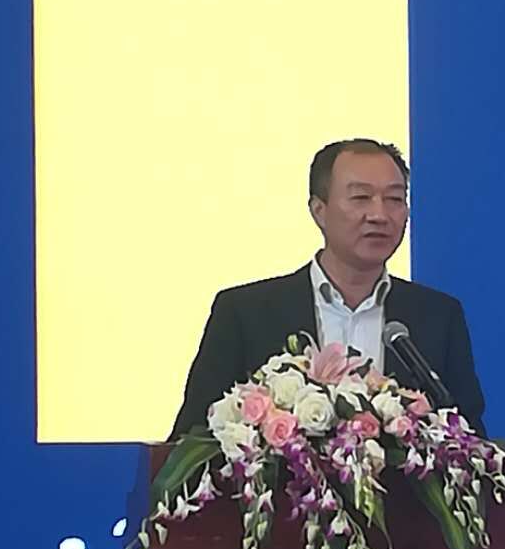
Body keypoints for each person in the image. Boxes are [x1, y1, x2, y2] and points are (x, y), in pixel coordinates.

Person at [169, 138, 486, 436]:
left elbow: (470, 441)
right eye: (361, 198)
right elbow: (192, 439)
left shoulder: (438, 316)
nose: (379, 215)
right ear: (319, 210)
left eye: (394, 199)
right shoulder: (245, 313)